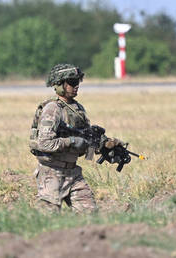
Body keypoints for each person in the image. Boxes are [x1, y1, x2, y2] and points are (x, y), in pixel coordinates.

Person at [29, 63, 120, 213]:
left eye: (78, 82)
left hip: (73, 173)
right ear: (59, 85)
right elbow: (44, 143)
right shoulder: (52, 109)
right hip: (51, 173)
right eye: (72, 83)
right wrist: (71, 142)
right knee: (47, 219)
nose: (76, 86)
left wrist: (104, 146)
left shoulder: (78, 109)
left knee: (90, 214)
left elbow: (87, 145)